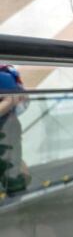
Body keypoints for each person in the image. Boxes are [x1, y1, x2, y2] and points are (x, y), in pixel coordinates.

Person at [0, 65, 29, 195]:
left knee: (12, 173)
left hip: (6, 128)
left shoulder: (3, 77)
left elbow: (12, 99)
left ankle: (18, 191)